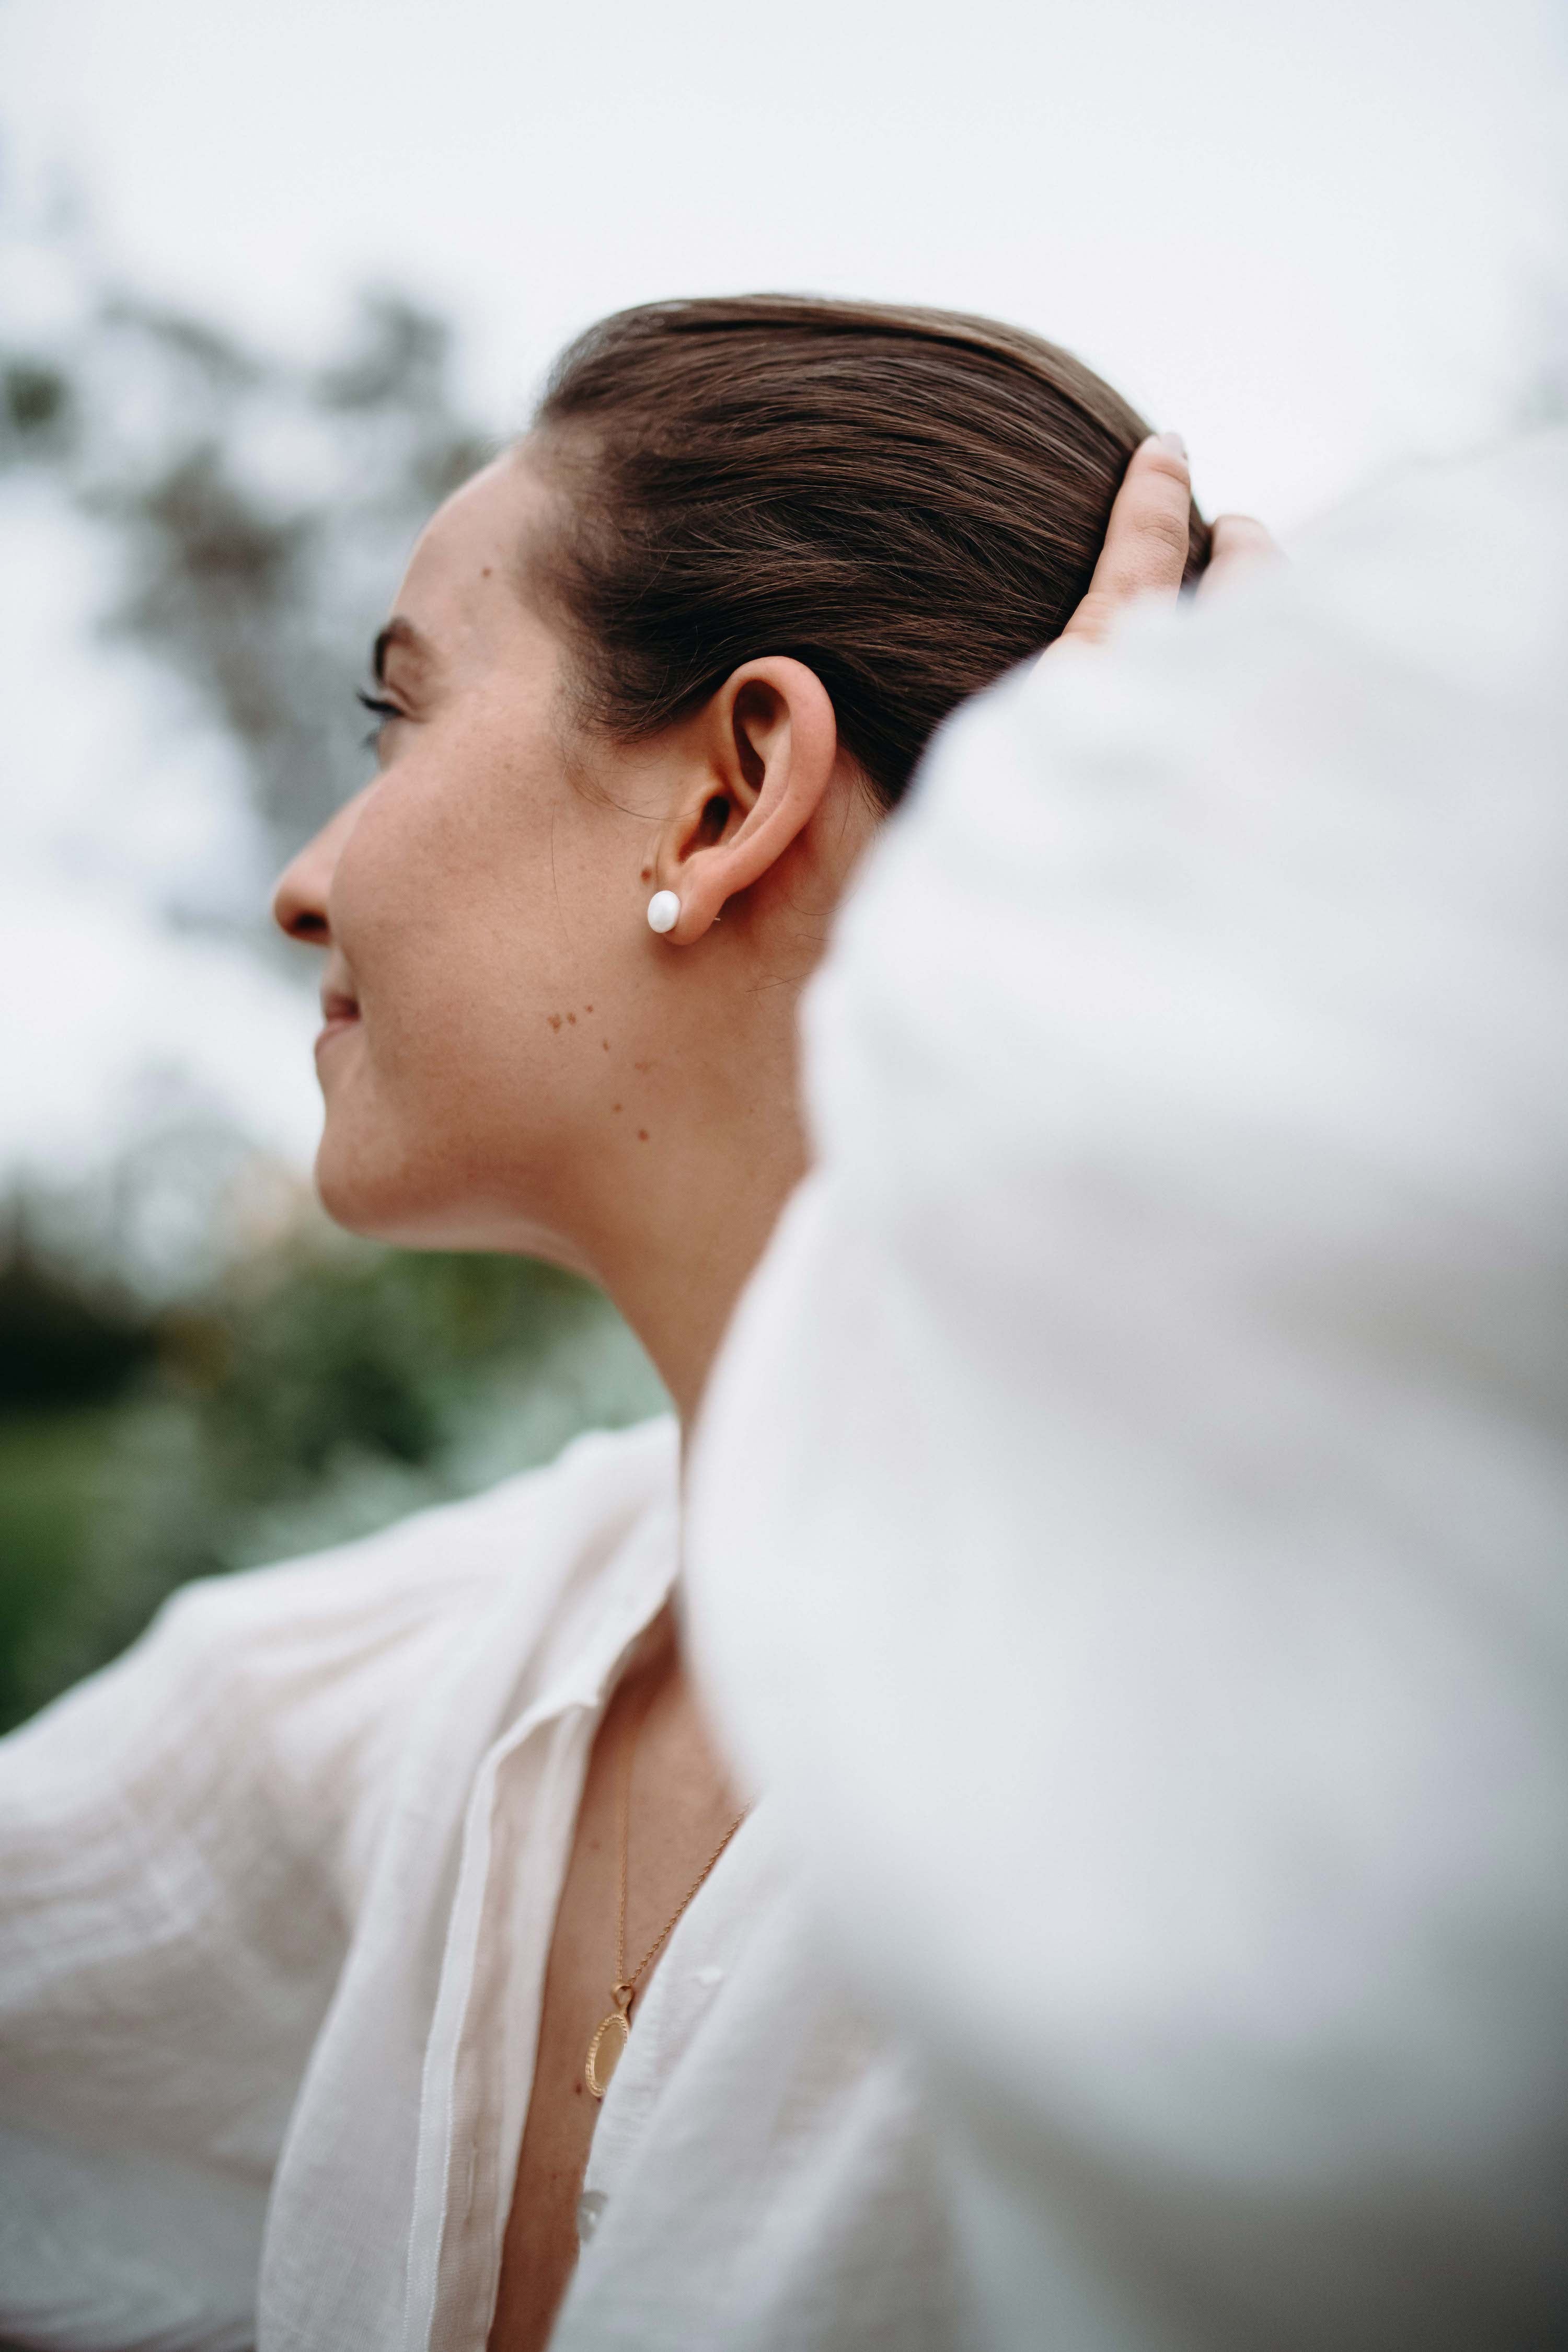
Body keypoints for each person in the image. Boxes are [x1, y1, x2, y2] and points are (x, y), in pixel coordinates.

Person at [0, 296, 1266, 2352]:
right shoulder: (409, 1684)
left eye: (397, 716)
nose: (305, 883)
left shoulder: (1277, 1727)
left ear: (729, 786)